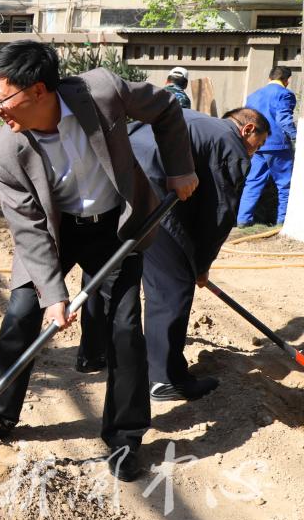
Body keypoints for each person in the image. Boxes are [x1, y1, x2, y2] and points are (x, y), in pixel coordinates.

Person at [0, 40, 197, 482]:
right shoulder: (5, 152)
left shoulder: (102, 93)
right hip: (56, 234)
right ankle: (0, 412)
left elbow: (167, 109)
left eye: (1, 99)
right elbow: (29, 231)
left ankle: (125, 438)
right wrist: (54, 295)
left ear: (38, 90)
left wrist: (180, 167)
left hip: (115, 226)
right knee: (21, 314)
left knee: (124, 328)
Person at [77, 108, 270, 402]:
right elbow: (219, 212)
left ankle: (94, 353)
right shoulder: (230, 142)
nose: (254, 153)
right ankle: (165, 380)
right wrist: (200, 264)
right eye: (257, 145)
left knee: (106, 268)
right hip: (152, 194)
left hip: (106, 180)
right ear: (247, 129)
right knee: (172, 286)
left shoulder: (190, 117)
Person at [238, 66, 297, 226]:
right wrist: (296, 137)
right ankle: (282, 222)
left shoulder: (253, 95)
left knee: (253, 182)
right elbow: (283, 119)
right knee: (284, 184)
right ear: (287, 80)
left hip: (256, 144)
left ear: (269, 78)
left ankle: (243, 220)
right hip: (278, 146)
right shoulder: (285, 94)